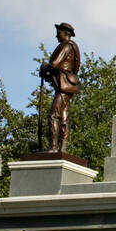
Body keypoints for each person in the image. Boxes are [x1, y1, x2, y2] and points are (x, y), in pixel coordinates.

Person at [40, 22, 80, 153]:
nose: (56, 36)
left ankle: (53, 147)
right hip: (64, 86)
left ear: (66, 33)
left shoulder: (66, 46)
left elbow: (55, 64)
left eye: (58, 33)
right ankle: (62, 148)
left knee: (53, 115)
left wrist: (45, 67)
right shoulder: (70, 46)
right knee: (63, 117)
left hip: (64, 87)